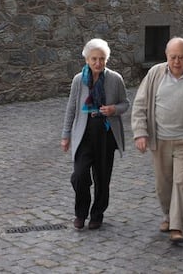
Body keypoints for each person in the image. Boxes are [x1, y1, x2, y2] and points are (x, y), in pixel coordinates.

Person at [131, 37, 183, 242]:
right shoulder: (155, 74)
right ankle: (168, 214)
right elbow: (140, 105)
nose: (176, 61)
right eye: (173, 57)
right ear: (166, 56)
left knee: (180, 182)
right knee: (163, 184)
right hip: (160, 141)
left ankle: (177, 227)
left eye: (181, 57)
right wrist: (140, 133)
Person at [61, 38, 129, 230]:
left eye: (102, 59)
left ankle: (97, 214)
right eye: (94, 59)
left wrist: (114, 109)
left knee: (102, 178)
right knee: (79, 176)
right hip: (84, 134)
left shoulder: (115, 79)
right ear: (87, 60)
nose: (98, 63)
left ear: (106, 59)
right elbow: (71, 108)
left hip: (106, 136)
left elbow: (126, 103)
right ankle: (80, 213)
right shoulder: (78, 80)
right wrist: (66, 135)